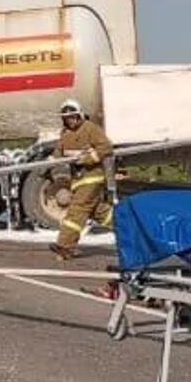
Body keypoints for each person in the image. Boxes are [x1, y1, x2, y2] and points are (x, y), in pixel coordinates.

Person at [48, 99, 113, 261]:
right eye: (67, 118)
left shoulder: (90, 129)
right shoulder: (65, 134)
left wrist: (87, 159)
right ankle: (128, 226)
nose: (70, 121)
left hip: (92, 178)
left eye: (73, 117)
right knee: (97, 211)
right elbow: (59, 152)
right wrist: (50, 163)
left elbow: (106, 147)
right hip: (78, 180)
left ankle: (65, 245)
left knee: (77, 210)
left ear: (79, 115)